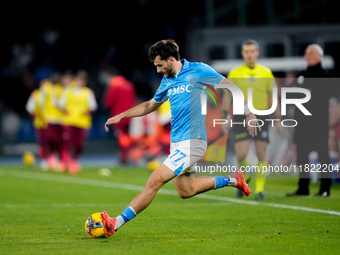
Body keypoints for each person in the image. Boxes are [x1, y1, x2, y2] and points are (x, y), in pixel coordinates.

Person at [100, 39, 260, 237]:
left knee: (155, 180)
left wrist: (249, 113)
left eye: (160, 65)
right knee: (186, 190)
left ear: (171, 59)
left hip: (193, 141)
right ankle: (233, 180)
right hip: (177, 143)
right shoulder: (167, 80)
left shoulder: (199, 71)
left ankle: (115, 223)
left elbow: (231, 87)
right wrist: (121, 115)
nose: (158, 70)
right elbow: (151, 104)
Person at [225, 39, 281, 200]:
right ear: (243, 53)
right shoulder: (234, 73)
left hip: (262, 116)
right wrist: (226, 116)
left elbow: (273, 97)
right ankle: (246, 177)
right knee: (241, 155)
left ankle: (259, 191)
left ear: (257, 53)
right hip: (240, 116)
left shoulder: (266, 73)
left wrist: (278, 119)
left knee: (261, 154)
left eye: (252, 51)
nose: (249, 54)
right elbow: (228, 97)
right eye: (246, 51)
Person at [286, 44, 334, 197]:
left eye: (312, 53)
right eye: (307, 53)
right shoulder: (302, 75)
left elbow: (321, 96)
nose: (309, 56)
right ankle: (303, 188)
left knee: (323, 155)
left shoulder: (326, 76)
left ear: (319, 56)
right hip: (302, 122)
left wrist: (306, 94)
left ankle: (325, 188)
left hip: (319, 123)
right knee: (302, 156)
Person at [58, 70, 98, 173]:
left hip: (82, 122)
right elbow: (60, 104)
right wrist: (66, 111)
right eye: (79, 79)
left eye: (82, 80)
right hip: (69, 121)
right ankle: (65, 161)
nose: (80, 82)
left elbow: (93, 106)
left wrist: (86, 111)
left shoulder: (87, 92)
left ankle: (74, 160)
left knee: (79, 144)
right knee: (68, 142)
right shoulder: (67, 91)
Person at [103, 67, 136, 165]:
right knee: (127, 136)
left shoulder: (114, 86)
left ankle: (124, 158)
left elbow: (108, 102)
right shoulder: (129, 85)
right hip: (130, 116)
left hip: (118, 117)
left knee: (121, 137)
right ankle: (129, 156)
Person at [25, 79, 48, 170]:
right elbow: (30, 108)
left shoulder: (53, 94)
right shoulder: (36, 94)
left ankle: (53, 159)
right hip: (40, 123)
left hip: (52, 122)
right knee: (43, 142)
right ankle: (43, 160)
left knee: (54, 141)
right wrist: (36, 117)